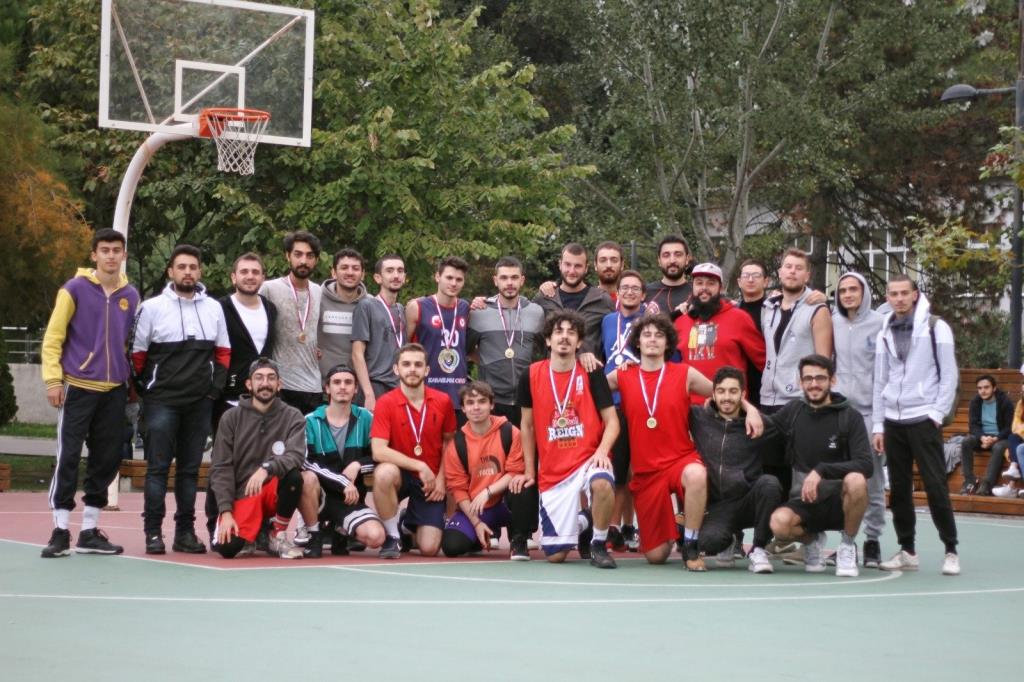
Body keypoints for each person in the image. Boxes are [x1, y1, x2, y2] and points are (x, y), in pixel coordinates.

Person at [608, 315, 763, 570]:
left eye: (659, 335)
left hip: (679, 459)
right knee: (656, 557)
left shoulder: (684, 373)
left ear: (668, 343)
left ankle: (691, 543)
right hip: (646, 472)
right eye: (647, 335)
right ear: (637, 342)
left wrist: (751, 409)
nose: (653, 340)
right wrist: (586, 358)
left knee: (697, 474)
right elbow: (590, 390)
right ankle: (675, 525)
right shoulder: (623, 374)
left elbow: (721, 392)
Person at [40, 228, 140, 558]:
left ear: (124, 255)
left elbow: (129, 343)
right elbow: (53, 338)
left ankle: (89, 531)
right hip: (78, 387)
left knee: (106, 459)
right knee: (68, 457)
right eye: (105, 250)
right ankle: (59, 530)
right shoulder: (74, 289)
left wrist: (131, 383)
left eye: (116, 250)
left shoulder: (131, 296)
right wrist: (53, 380)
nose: (111, 255)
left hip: (114, 391)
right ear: (94, 255)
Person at [132, 244, 230, 555]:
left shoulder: (214, 308)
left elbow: (223, 352)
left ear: (200, 271)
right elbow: (137, 354)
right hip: (162, 401)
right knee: (157, 469)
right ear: (170, 271)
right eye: (182, 267)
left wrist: (213, 390)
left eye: (193, 267)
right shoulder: (151, 308)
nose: (188, 272)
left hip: (199, 403)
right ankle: (153, 533)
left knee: (190, 471)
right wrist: (148, 390)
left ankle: (185, 533)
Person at [872, 275, 960, 575]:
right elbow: (880, 379)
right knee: (898, 490)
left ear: (914, 294)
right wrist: (878, 424)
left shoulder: (936, 327)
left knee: (936, 486)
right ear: (887, 297)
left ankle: (951, 550)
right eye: (893, 293)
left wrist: (936, 414)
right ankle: (907, 550)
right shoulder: (885, 330)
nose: (898, 298)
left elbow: (949, 375)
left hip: (924, 419)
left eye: (903, 293)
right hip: (893, 421)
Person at [518, 311, 620, 568]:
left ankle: (598, 545)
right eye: (558, 332)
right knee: (555, 556)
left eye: (571, 333)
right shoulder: (530, 375)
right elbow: (527, 426)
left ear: (579, 342)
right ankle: (586, 519)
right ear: (548, 340)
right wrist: (530, 469)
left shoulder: (592, 372)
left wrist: (602, 451)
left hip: (588, 459)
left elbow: (612, 421)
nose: (564, 337)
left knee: (602, 482)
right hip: (554, 471)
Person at [767, 354, 873, 577]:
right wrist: (743, 409)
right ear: (800, 382)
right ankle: (812, 542)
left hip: (840, 501)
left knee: (856, 480)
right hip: (805, 499)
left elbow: (866, 464)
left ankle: (847, 545)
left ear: (832, 380)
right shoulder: (794, 411)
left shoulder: (850, 416)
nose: (814, 384)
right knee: (779, 524)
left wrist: (821, 470)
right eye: (808, 378)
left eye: (820, 378)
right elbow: (763, 425)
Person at [208, 358, 306, 560]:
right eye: (259, 378)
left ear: (279, 384)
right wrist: (226, 511)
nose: (265, 383)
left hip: (271, 488)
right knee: (227, 549)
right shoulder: (230, 417)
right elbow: (221, 466)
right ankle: (253, 534)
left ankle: (276, 534)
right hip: (242, 494)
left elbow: (295, 455)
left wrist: (267, 468)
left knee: (294, 477)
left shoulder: (293, 416)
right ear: (249, 384)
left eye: (271, 378)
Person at [689, 367, 783, 574]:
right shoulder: (698, 417)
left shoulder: (758, 423)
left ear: (743, 394)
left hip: (749, 500)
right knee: (708, 543)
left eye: (733, 391)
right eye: (721, 391)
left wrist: (751, 411)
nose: (727, 397)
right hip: (718, 505)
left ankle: (759, 548)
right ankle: (731, 538)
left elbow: (788, 433)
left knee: (770, 484)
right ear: (713, 394)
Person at [371, 343, 457, 558]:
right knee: (383, 473)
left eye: (418, 365)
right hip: (401, 474)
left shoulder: (443, 401)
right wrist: (419, 465)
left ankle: (406, 525)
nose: (412, 369)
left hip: (431, 480)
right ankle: (392, 536)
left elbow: (449, 443)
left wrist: (441, 479)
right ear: (396, 369)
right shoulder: (385, 402)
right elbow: (378, 451)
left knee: (429, 548)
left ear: (426, 370)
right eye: (406, 364)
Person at [760, 248, 833, 496]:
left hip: (798, 401)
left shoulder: (817, 309)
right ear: (780, 272)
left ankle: (801, 519)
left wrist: (817, 402)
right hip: (768, 399)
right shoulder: (769, 307)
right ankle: (774, 520)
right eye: (788, 266)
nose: (792, 272)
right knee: (772, 472)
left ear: (807, 275)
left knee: (800, 475)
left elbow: (823, 360)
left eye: (799, 268)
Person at [441, 381, 535, 559]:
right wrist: (476, 523)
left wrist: (488, 491)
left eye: (482, 401)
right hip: (478, 508)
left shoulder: (510, 432)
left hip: (506, 504)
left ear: (492, 405)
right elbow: (458, 489)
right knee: (451, 546)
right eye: (470, 403)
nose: (476, 407)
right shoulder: (457, 444)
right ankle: (481, 535)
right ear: (463, 408)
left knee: (523, 485)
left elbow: (515, 471)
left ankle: (519, 539)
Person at [831, 271, 886, 567]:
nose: (848, 295)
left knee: (872, 481)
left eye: (853, 289)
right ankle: (845, 541)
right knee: (841, 481)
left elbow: (884, 375)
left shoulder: (879, 323)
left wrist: (880, 423)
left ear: (864, 292)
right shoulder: (833, 321)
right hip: (841, 414)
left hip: (869, 415)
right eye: (843, 291)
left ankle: (873, 540)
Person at [302, 365, 386, 557]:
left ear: (355, 389)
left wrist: (358, 465)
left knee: (376, 537)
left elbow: (380, 456)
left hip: (350, 499)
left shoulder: (367, 418)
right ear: (327, 388)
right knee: (306, 478)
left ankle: (340, 529)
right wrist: (343, 481)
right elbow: (306, 462)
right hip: (320, 497)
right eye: (337, 382)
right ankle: (314, 534)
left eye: (348, 382)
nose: (342, 387)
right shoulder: (310, 421)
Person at [466, 256, 546, 427]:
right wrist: (487, 362)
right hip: (492, 399)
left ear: (522, 280)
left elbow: (547, 351)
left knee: (525, 443)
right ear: (495, 280)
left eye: (514, 277)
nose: (509, 283)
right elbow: (466, 350)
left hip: (526, 398)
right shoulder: (479, 313)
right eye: (504, 278)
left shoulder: (536, 312)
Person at [599, 270, 648, 551]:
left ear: (643, 294)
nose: (630, 292)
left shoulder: (650, 322)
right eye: (625, 288)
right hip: (614, 403)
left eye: (635, 288)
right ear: (617, 293)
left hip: (642, 402)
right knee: (617, 467)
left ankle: (634, 525)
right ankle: (615, 527)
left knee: (637, 470)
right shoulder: (608, 321)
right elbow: (603, 356)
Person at [674, 262, 765, 405]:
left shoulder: (740, 318)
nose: (704, 288)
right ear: (693, 287)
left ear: (721, 288)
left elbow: (764, 363)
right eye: (699, 283)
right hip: (690, 408)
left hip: (731, 406)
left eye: (711, 283)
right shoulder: (680, 322)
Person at [259, 231, 324, 414]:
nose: (303, 261)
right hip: (282, 384)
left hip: (313, 386)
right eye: (298, 254)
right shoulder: (270, 289)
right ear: (288, 256)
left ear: (316, 260)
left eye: (309, 256)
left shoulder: (318, 291)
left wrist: (317, 346)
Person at [216, 253, 276, 433]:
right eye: (244, 272)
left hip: (265, 397)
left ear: (263, 278)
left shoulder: (270, 308)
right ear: (233, 277)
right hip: (228, 398)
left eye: (255, 272)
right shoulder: (219, 308)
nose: (250, 276)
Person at [406, 256, 471, 422]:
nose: (454, 283)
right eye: (449, 277)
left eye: (459, 279)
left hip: (458, 393)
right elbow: (402, 348)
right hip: (425, 392)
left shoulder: (465, 308)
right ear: (437, 277)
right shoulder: (417, 307)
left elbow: (469, 347)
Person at [532, 243, 614, 356]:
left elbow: (614, 339)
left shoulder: (602, 300)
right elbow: (532, 339)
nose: (572, 271)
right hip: (553, 366)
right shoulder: (544, 298)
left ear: (586, 268)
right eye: (567, 265)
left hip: (589, 367)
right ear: (560, 265)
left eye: (578, 266)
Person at [351, 254, 407, 412]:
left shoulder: (401, 309)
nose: (396, 275)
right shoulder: (366, 306)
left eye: (400, 271)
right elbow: (357, 354)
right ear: (378, 278)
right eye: (389, 271)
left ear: (404, 277)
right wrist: (368, 393)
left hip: (398, 386)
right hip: (375, 385)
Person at [959, 374, 1014, 497]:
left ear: (994, 388)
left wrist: (995, 438)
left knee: (998, 447)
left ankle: (987, 484)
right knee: (966, 441)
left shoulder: (1005, 402)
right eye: (979, 388)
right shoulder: (975, 402)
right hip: (983, 438)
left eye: (986, 387)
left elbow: (1009, 427)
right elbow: (973, 425)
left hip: (1001, 438)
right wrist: (983, 437)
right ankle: (969, 480)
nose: (983, 391)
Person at [318, 248, 368, 380]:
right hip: (321, 383)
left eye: (355, 268)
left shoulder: (372, 305)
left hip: (358, 384)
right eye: (344, 268)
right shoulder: (316, 298)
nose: (350, 273)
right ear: (333, 272)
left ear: (363, 274)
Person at [735, 260, 769, 408]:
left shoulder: (775, 309)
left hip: (766, 381)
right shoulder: (732, 311)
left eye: (756, 275)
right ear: (739, 282)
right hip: (740, 381)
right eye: (746, 275)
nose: (750, 280)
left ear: (766, 281)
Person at [644, 235, 692, 317]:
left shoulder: (698, 293)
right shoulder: (645, 293)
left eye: (678, 255)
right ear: (659, 261)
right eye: (666, 255)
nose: (672, 260)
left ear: (687, 259)